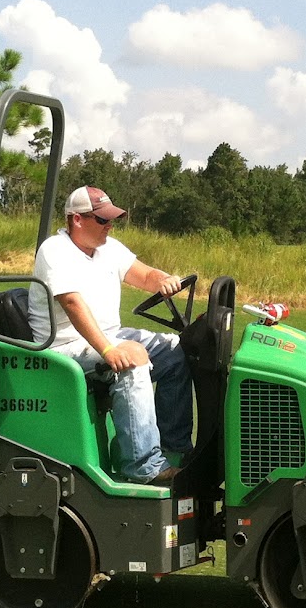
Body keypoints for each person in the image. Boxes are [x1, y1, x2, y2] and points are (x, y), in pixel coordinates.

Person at [28, 186, 194, 484]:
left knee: (175, 350)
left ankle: (174, 449)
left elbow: (144, 274)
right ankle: (144, 467)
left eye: (111, 220)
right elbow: (72, 304)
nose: (110, 225)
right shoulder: (54, 250)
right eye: (102, 220)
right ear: (77, 220)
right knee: (133, 358)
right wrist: (109, 350)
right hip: (64, 346)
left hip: (107, 335)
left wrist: (164, 280)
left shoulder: (109, 249)